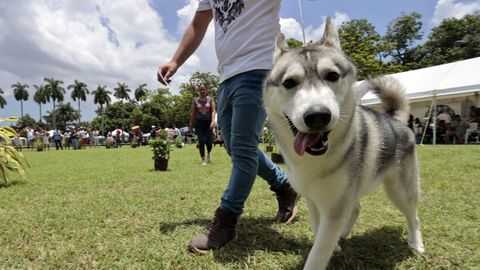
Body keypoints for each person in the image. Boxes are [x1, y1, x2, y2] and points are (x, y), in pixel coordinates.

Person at [157, 0, 299, 254]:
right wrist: (175, 61)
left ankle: (226, 220)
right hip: (226, 76)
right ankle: (284, 185)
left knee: (244, 148)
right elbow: (199, 24)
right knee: (235, 148)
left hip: (260, 68)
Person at [189, 84, 216, 165]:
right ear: (198, 90)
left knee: (209, 141)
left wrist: (213, 121)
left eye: (203, 89)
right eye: (200, 89)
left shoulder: (211, 99)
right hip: (199, 123)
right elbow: (193, 114)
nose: (202, 91)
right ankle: (203, 159)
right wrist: (190, 125)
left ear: (206, 90)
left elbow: (213, 111)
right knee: (201, 141)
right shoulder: (195, 100)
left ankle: (209, 153)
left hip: (208, 123)